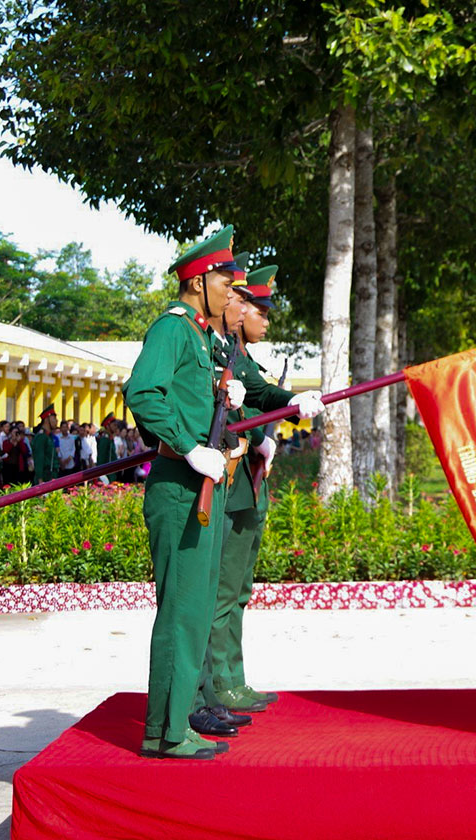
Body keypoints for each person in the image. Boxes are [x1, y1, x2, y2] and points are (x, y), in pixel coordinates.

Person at [123, 225, 250, 760]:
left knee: (193, 611)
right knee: (181, 611)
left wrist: (227, 396)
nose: (230, 290)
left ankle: (170, 726)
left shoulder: (200, 335)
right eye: (224, 279)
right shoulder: (173, 330)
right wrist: (183, 444)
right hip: (180, 485)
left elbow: (191, 400)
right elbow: (143, 392)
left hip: (204, 483)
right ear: (199, 281)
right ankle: (168, 733)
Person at [197, 262, 324, 719]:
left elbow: (257, 394)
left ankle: (230, 680)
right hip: (225, 480)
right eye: (257, 308)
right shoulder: (206, 344)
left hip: (247, 480)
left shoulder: (237, 355)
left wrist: (288, 405)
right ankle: (215, 688)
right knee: (221, 592)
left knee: (238, 589)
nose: (264, 320)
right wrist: (254, 429)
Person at [31, 406, 60, 485]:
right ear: (47, 419)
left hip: (52, 476)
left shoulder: (49, 436)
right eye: (54, 418)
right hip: (45, 477)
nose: (56, 421)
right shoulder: (41, 437)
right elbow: (39, 460)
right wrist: (40, 480)